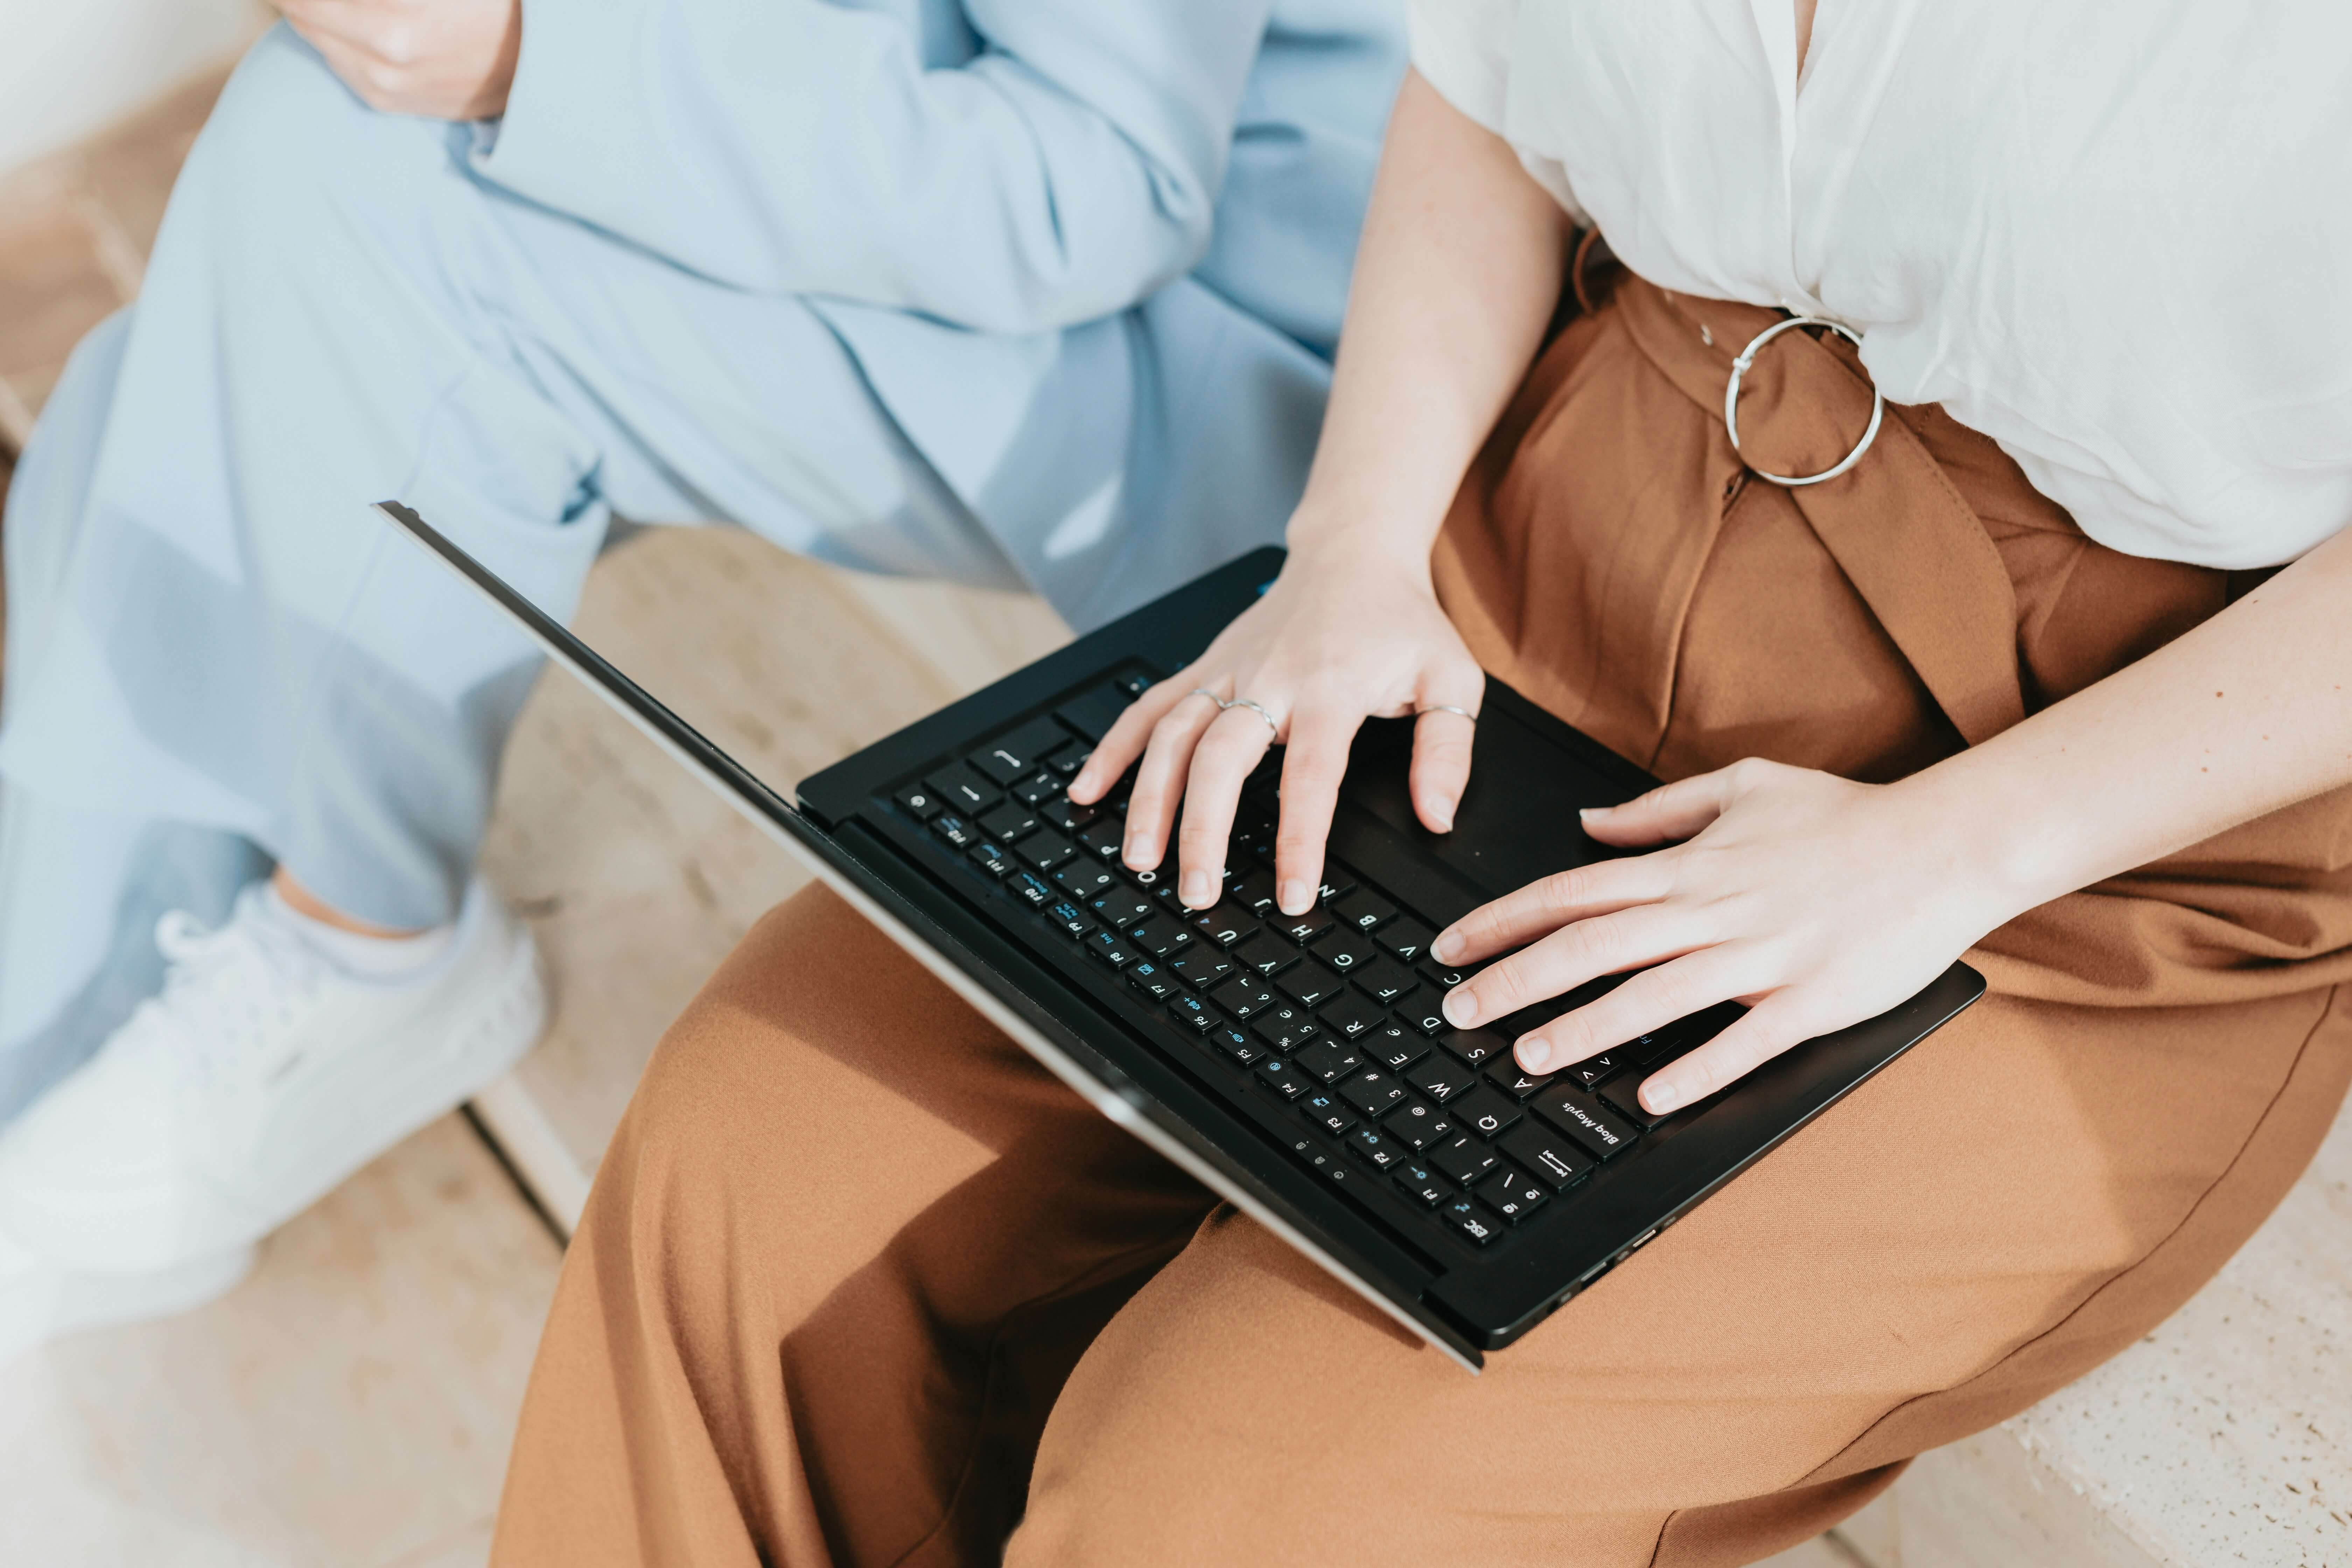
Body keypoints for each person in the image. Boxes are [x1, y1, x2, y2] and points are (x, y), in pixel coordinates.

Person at [486, 0, 2352, 1562]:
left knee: (1227, 1501)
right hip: (1529, 562)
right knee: (762, 1142)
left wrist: (1949, 852)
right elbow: (1486, 82)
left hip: (2097, 804)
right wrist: (1355, 551)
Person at [0, 0, 1407, 1355]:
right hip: (882, 113)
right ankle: (50, 1026)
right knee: (185, 355)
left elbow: (1096, 192)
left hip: (1220, 339)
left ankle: (363, 935)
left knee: (339, 185)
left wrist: (540, 57)